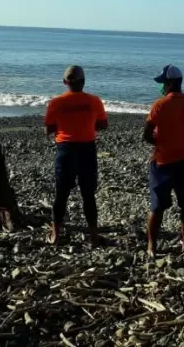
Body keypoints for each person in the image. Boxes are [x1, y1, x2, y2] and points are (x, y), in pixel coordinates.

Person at [43, 65, 108, 246]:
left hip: (65, 149)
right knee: (88, 194)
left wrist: (65, 126)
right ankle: (94, 236)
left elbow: (48, 128)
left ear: (65, 82)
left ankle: (55, 234)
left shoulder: (56, 102)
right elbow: (103, 124)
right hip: (87, 149)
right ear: (84, 81)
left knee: (61, 194)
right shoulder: (94, 101)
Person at [143, 64, 184, 256]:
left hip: (163, 163)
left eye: (163, 83)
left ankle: (152, 246)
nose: (162, 87)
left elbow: (146, 135)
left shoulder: (159, 105)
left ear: (169, 84)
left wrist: (159, 141)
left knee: (157, 206)